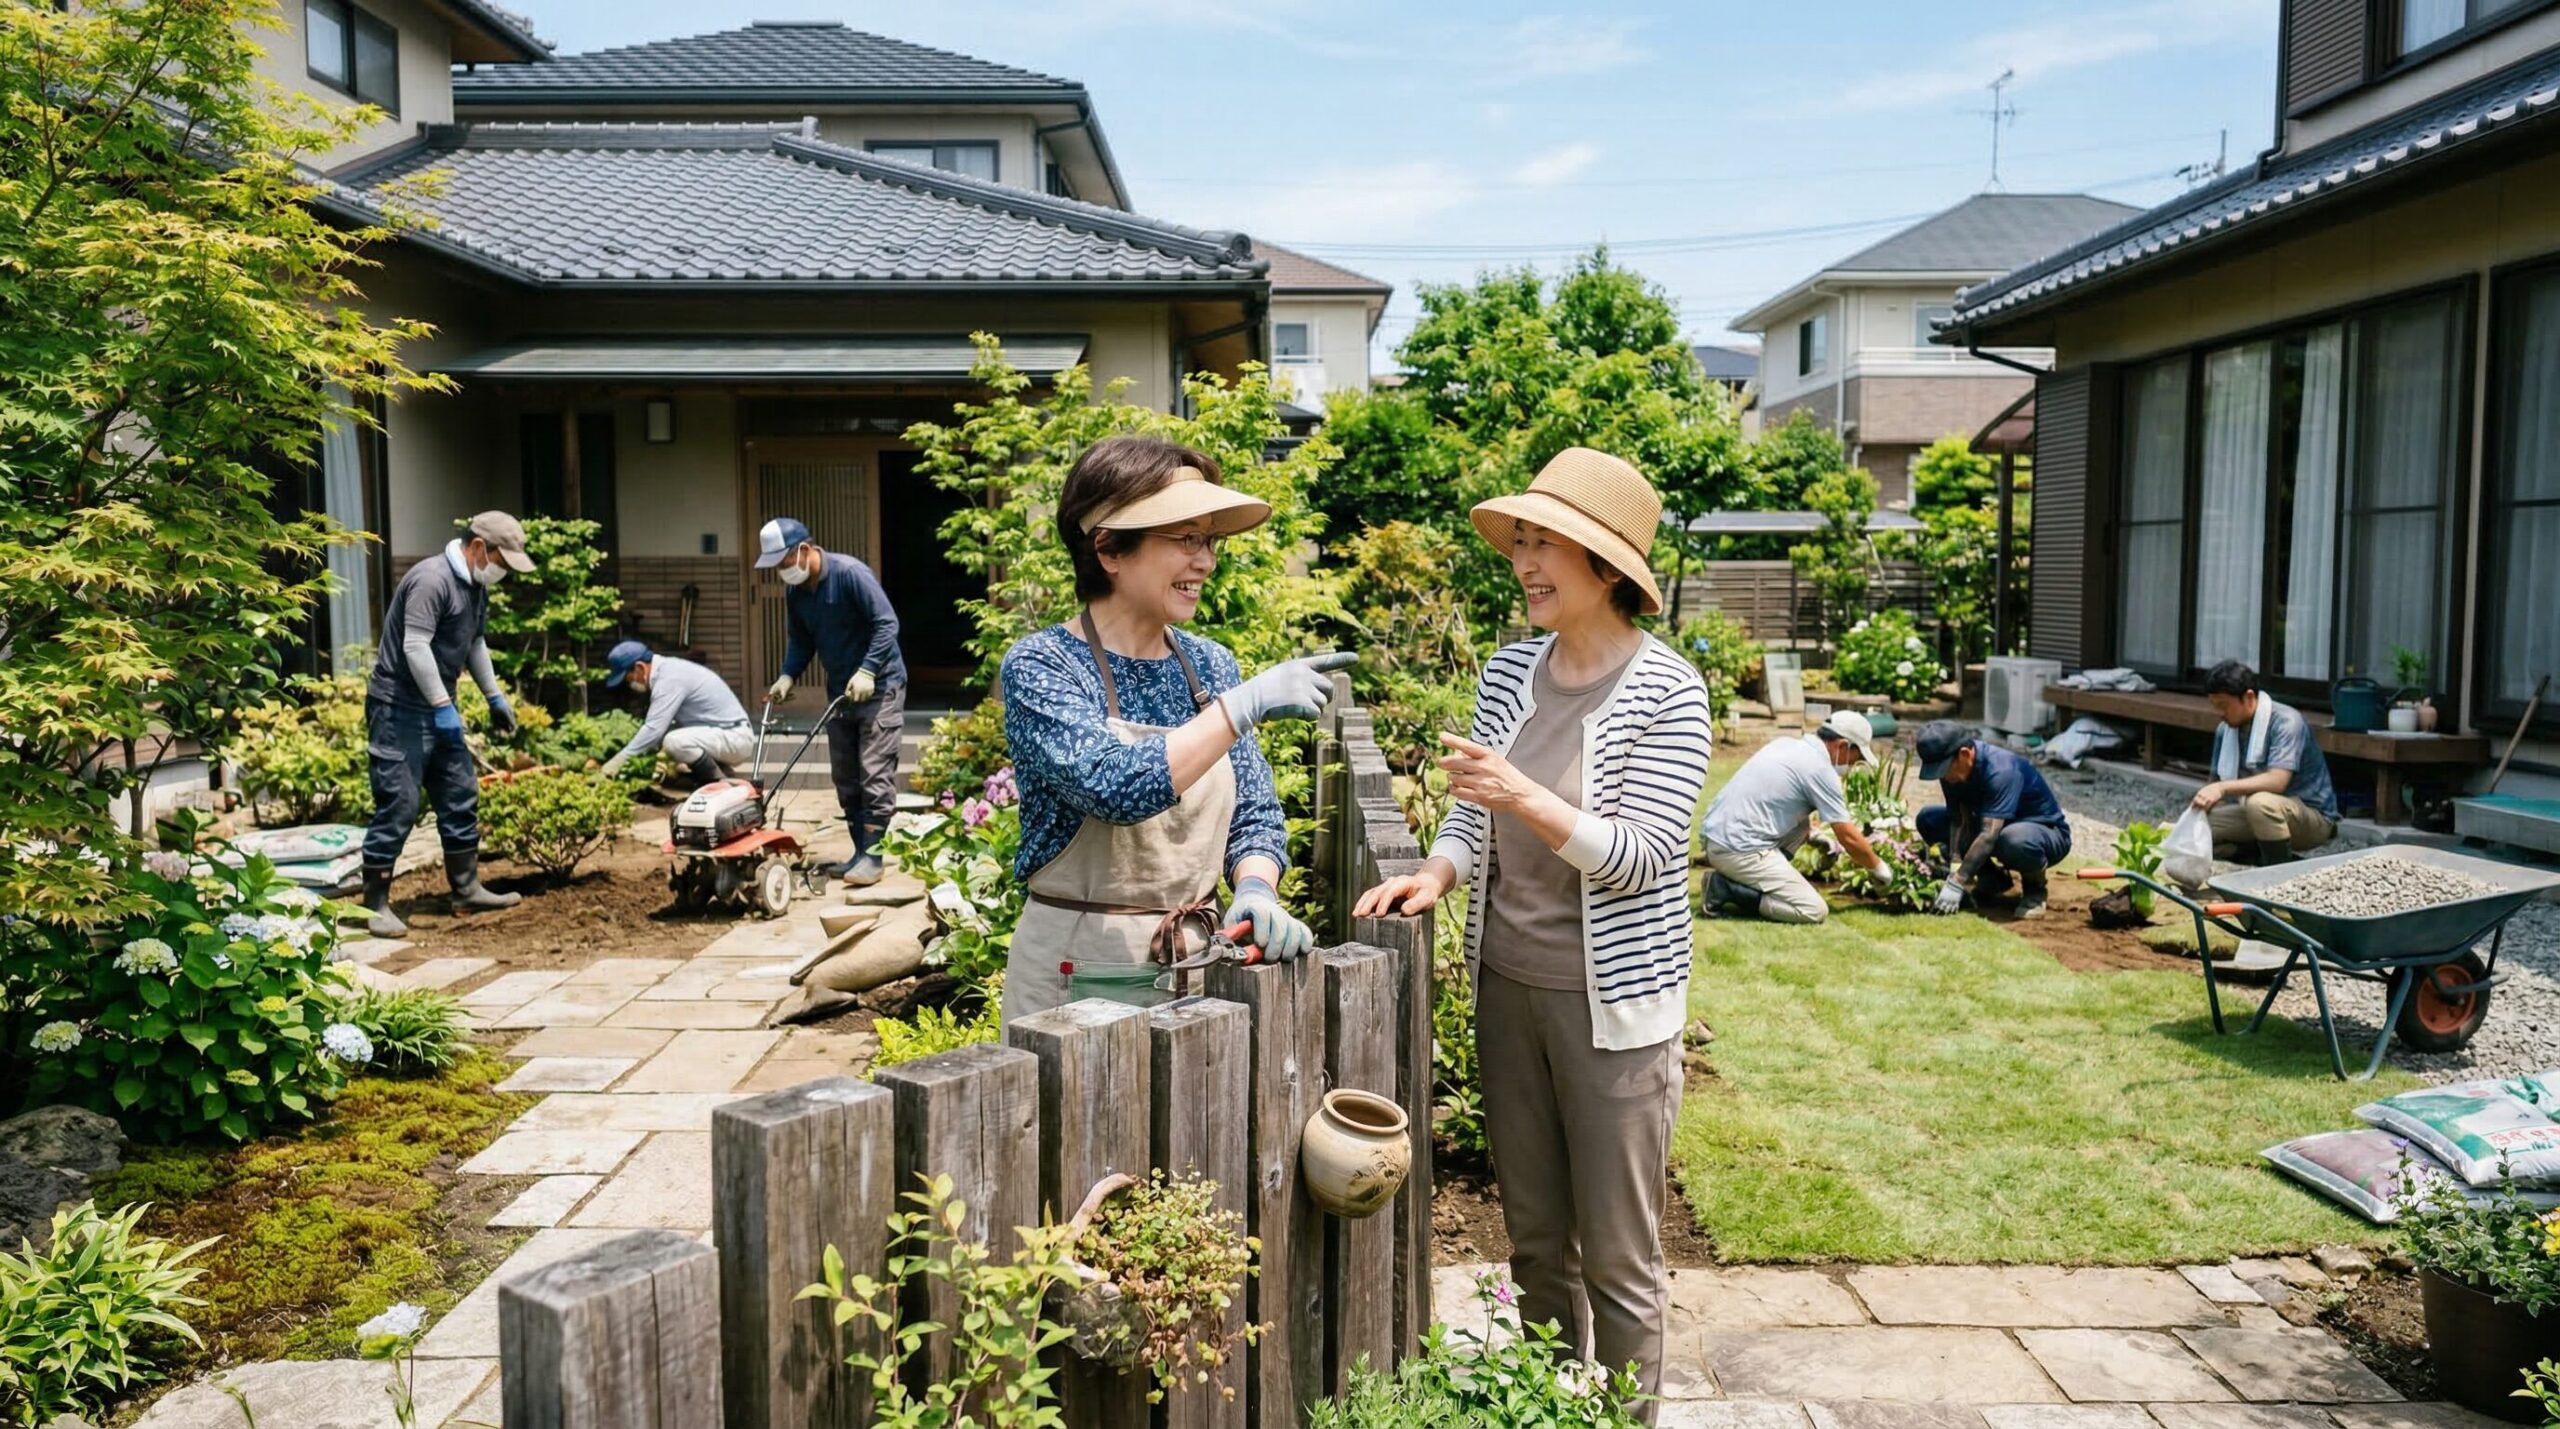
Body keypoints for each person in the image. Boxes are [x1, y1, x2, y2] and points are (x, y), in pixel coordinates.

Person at [1354, 447, 1713, 1421]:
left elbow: (1639, 855)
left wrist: (1525, 793)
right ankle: (1551, 1405)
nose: (1523, 561)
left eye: (1543, 542)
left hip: (1615, 1015)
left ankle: (1621, 1415)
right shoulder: (1513, 670)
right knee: (1536, 1236)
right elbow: (1474, 814)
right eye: (1518, 543)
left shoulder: (1667, 690)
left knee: (1619, 1250)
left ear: (1607, 564)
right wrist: (1436, 869)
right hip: (1506, 987)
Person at [998, 435, 1350, 1024]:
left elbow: (1255, 814)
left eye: (1209, 541)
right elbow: (1112, 787)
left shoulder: (1209, 666)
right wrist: (1241, 708)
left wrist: (1257, 888)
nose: (1206, 561)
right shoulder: (1044, 665)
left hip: (1198, 961)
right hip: (1076, 973)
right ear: (1109, 548)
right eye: (1187, 539)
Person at [357, 511, 536, 939]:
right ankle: (374, 906)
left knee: (459, 794)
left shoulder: (475, 587)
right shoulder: (431, 580)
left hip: (440, 708)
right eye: (502, 562)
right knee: (399, 802)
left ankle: (466, 889)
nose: (503, 572)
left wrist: (494, 696)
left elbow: (474, 642)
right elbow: (415, 646)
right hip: (398, 707)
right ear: (478, 548)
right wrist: (441, 704)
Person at [757, 517, 905, 885]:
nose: (781, 570)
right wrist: (788, 675)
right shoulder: (797, 592)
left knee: (874, 770)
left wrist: (869, 670)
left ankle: (873, 857)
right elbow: (801, 640)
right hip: (840, 689)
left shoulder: (850, 574)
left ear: (804, 550)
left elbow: (886, 623)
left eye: (783, 561)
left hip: (881, 685)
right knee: (845, 775)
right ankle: (858, 852)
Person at [1700, 711, 1891, 923]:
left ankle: (1754, 878)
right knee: (1813, 910)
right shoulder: (1820, 769)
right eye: (1858, 757)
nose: (1854, 765)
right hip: (1737, 849)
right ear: (1843, 746)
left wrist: (1814, 836)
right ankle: (1723, 889)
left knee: (1803, 826)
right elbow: (1847, 835)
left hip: (1716, 837)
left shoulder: (1786, 744)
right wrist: (1879, 868)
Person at [1913, 720, 2072, 919]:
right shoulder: (1953, 773)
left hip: (2044, 833)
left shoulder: (2000, 770)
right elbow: (1957, 820)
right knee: (1929, 819)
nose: (1943, 777)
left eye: (1944, 770)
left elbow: (1989, 835)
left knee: (2013, 840)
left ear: (1964, 754)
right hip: (1994, 827)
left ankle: (2035, 890)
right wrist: (1954, 868)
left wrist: (1958, 881)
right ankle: (1992, 879)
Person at [2194, 659, 2339, 865]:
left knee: (2260, 803)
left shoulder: (2286, 722)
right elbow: (2214, 783)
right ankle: (2277, 860)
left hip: (2311, 816)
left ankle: (2277, 877)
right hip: (2257, 813)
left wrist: (2222, 788)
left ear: (2249, 697)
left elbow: (2277, 781)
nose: (2219, 713)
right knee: (2196, 830)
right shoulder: (2225, 730)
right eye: (2214, 706)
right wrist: (2199, 807)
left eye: (2223, 706)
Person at [596, 641, 754, 786]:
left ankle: (716, 783)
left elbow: (653, 729)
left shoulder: (668, 680)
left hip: (734, 737)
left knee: (674, 741)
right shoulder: (670, 670)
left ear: (640, 667)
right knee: (671, 737)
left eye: (629, 678)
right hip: (722, 733)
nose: (630, 683)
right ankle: (722, 774)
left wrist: (619, 761)